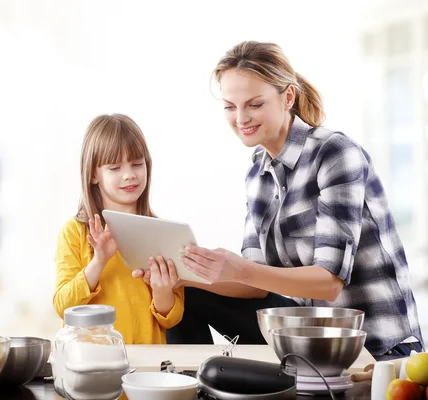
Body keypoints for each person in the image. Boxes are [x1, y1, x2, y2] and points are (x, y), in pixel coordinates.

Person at [135, 41, 424, 359]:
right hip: (305, 335)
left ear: (288, 96)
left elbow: (329, 283)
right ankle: (187, 387)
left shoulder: (335, 154)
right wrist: (185, 274)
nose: (241, 118)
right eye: (230, 106)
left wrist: (239, 269)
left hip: (370, 346)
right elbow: (255, 283)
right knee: (185, 293)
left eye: (254, 104)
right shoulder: (258, 172)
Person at [53, 113, 184, 344]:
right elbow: (63, 306)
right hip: (90, 363)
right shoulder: (75, 231)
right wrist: (99, 261)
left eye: (137, 164)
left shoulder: (161, 233)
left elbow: (170, 319)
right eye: (114, 167)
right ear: (93, 174)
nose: (129, 175)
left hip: (147, 366)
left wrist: (161, 289)